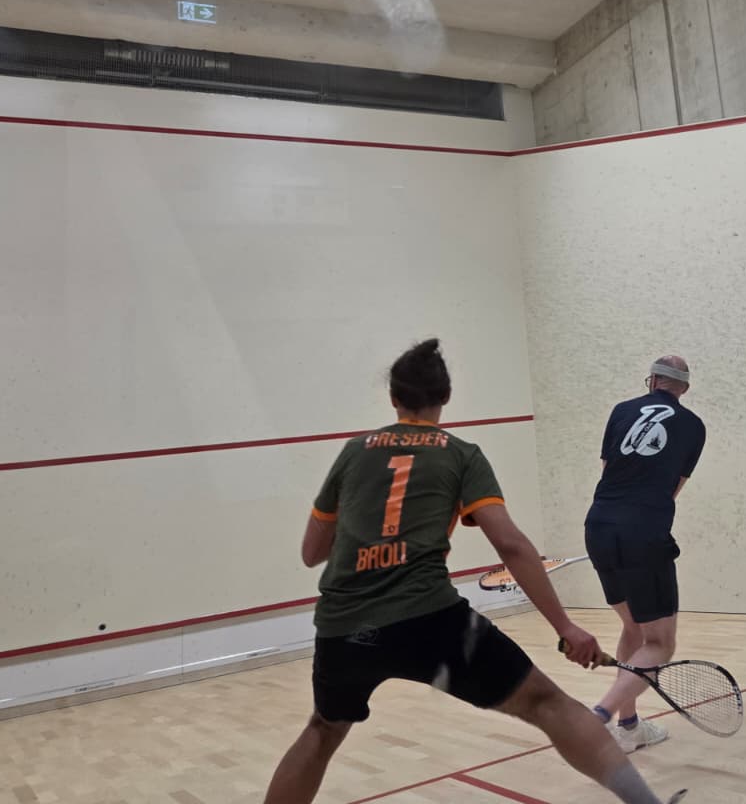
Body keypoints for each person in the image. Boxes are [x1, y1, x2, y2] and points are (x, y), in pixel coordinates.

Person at [262, 338, 685, 804]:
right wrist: (565, 627)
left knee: (322, 729)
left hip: (344, 625)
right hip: (429, 620)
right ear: (445, 397)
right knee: (547, 704)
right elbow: (510, 544)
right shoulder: (459, 454)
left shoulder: (354, 451)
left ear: (394, 397)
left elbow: (312, 552)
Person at [584, 356, 706, 753]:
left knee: (634, 628)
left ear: (652, 381)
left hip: (599, 526)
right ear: (684, 389)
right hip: (644, 533)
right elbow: (673, 489)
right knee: (659, 644)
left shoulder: (621, 411)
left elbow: (609, 470)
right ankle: (598, 717)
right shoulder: (693, 426)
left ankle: (629, 727)